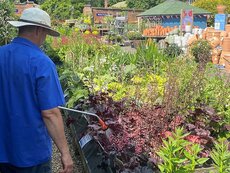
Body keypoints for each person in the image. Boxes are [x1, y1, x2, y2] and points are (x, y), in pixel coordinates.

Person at [0, 7, 73, 173]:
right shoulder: (42, 63)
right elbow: (50, 113)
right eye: (46, 33)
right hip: (29, 153)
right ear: (39, 30)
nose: (44, 38)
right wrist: (65, 153)